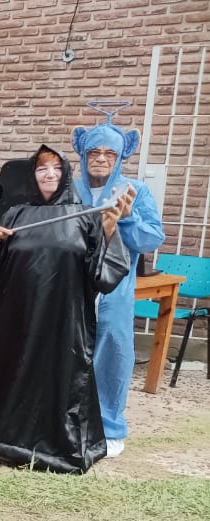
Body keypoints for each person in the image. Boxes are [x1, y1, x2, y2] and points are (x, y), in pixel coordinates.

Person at [0, 146, 132, 474]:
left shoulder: (87, 215)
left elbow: (104, 274)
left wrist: (108, 230)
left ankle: (62, 446)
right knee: (14, 372)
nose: (49, 174)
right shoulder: (14, 215)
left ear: (65, 175)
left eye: (56, 168)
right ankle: (8, 441)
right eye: (42, 168)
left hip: (65, 320)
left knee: (62, 375)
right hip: (17, 319)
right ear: (32, 174)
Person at [71, 117, 165, 458]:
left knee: (112, 349)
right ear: (82, 151)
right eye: (94, 151)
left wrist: (126, 218)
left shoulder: (134, 191)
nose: (100, 158)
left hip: (114, 288)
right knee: (68, 349)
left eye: (109, 153)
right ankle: (68, 420)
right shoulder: (71, 188)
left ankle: (109, 426)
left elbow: (152, 237)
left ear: (121, 156)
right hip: (72, 286)